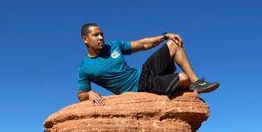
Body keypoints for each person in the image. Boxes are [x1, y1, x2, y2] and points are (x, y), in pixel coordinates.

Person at [77, 23, 219, 105]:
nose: (101, 37)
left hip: (143, 73)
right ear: (85, 39)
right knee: (182, 78)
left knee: (173, 44)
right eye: (95, 35)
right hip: (139, 88)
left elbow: (143, 44)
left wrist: (164, 36)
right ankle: (180, 84)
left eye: (101, 34)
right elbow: (81, 94)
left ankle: (197, 83)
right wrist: (88, 93)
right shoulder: (85, 67)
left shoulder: (113, 46)